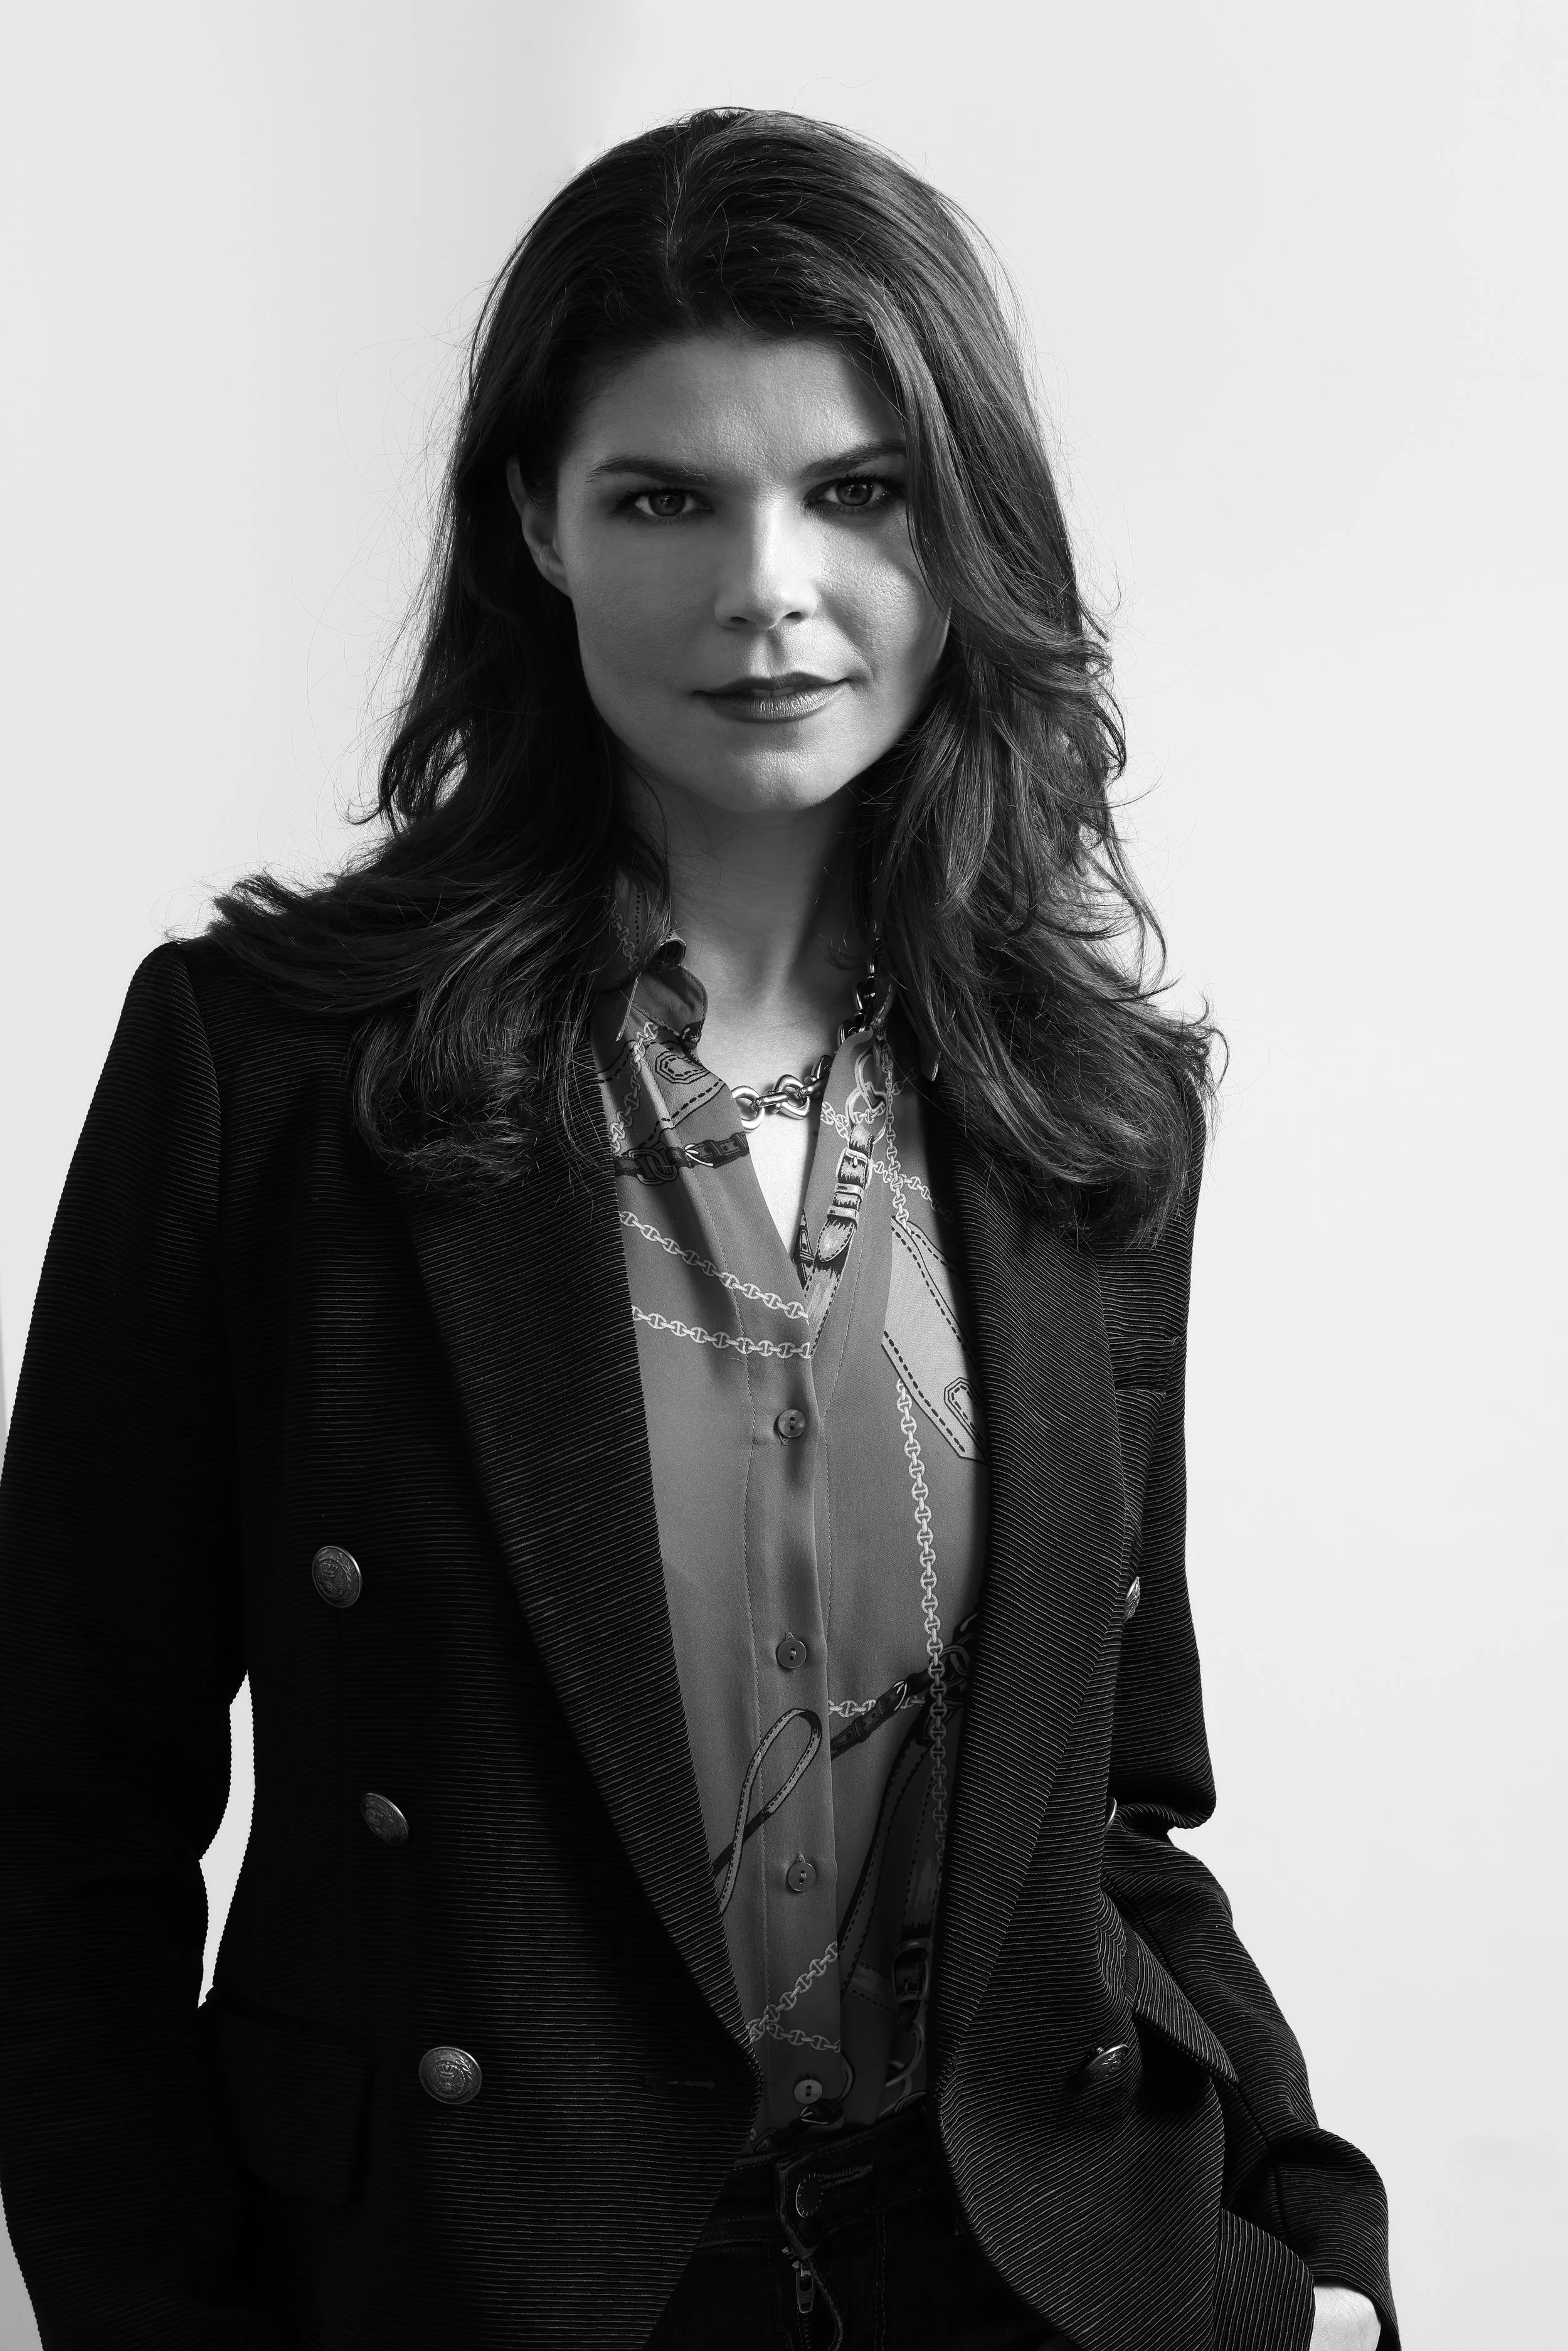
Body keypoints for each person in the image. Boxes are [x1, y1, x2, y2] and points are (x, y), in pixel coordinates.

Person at [0, 108, 1396, 2351]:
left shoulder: (1087, 1110)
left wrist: (1304, 2248)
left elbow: (1115, 1822)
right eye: (664, 494)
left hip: (1034, 2280)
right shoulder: (268, 1078)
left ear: (964, 537)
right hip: (479, 2278)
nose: (767, 584)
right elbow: (54, 1817)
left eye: (856, 491)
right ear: (536, 525)